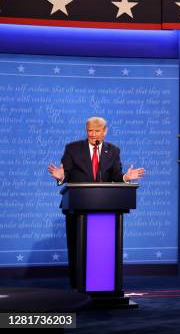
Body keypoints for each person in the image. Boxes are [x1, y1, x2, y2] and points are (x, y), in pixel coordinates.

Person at [48, 117, 145, 288]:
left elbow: (116, 175)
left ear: (105, 131)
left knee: (102, 250)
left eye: (97, 131)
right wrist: (61, 177)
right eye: (90, 131)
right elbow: (67, 174)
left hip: (105, 208)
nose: (93, 135)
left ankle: (104, 286)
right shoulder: (73, 148)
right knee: (77, 247)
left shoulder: (113, 150)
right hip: (76, 207)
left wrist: (126, 177)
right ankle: (77, 287)